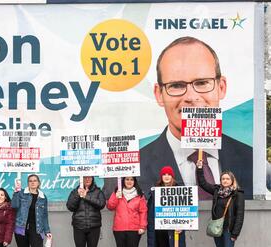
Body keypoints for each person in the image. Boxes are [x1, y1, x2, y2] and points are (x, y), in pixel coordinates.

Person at [104, 36, 252, 199]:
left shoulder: (253, 162)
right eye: (176, 86)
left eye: (202, 83)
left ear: (221, 87)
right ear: (159, 94)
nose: (191, 96)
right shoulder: (126, 173)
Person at [196, 159, 245, 247]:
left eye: (227, 179)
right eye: (223, 179)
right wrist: (199, 168)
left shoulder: (237, 194)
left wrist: (235, 233)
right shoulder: (217, 191)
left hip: (229, 230)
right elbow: (203, 183)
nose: (224, 181)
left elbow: (240, 216)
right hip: (217, 229)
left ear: (232, 180)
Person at [147, 166, 187, 247]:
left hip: (176, 226)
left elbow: (186, 209)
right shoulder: (156, 191)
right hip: (160, 226)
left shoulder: (179, 190)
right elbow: (151, 209)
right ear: (161, 177)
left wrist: (183, 225)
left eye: (169, 174)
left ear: (172, 176)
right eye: (164, 174)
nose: (166, 176)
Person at [12, 174, 52, 247]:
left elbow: (45, 216)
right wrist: (15, 192)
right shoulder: (21, 193)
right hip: (21, 228)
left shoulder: (43, 197)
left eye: (35, 181)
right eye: (30, 181)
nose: (33, 183)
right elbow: (14, 206)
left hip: (37, 229)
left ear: (38, 183)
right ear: (28, 183)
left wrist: (47, 230)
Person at [106, 177, 147, 247]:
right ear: (123, 181)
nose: (129, 181)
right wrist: (116, 196)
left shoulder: (140, 195)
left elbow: (143, 211)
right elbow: (110, 206)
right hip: (119, 229)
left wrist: (143, 226)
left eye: (131, 179)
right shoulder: (117, 192)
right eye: (127, 179)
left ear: (135, 182)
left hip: (134, 229)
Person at [66, 176, 106, 247]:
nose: (87, 179)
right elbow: (70, 206)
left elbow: (101, 204)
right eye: (85, 177)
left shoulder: (98, 191)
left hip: (94, 227)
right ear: (81, 179)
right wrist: (78, 196)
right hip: (79, 226)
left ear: (93, 179)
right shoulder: (75, 191)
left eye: (89, 177)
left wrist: (86, 196)